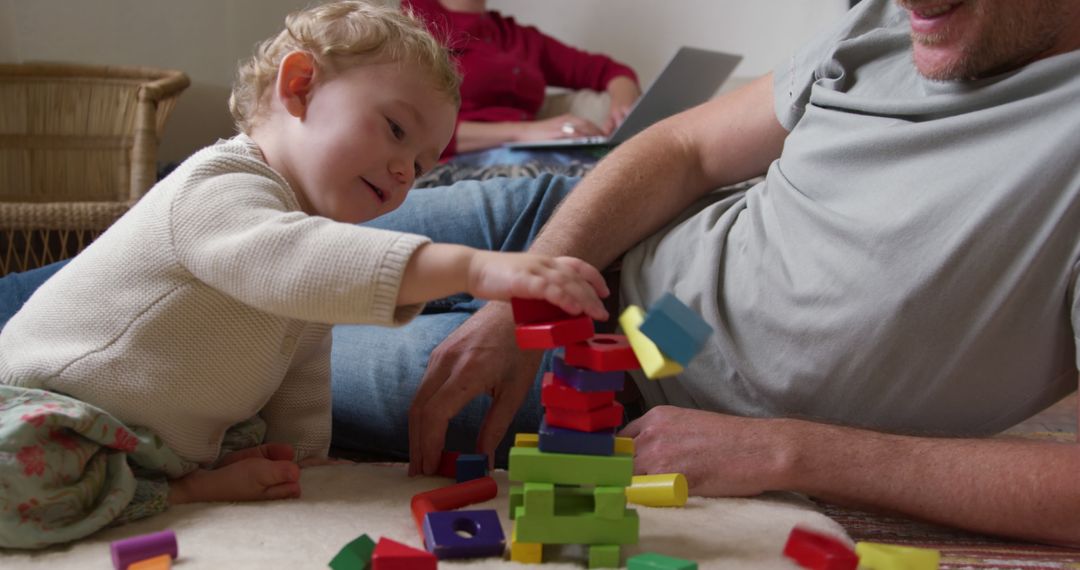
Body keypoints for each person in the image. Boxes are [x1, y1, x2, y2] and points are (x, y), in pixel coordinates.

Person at [327, 0, 1079, 547]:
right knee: (261, 237)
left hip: (623, 397)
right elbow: (685, 147)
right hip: (559, 229)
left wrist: (791, 451)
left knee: (266, 357)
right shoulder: (879, 23)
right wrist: (526, 295)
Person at [0, 1, 608, 549]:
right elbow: (299, 261)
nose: (404, 172)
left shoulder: (305, 232)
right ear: (300, 86)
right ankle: (179, 494)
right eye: (395, 130)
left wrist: (305, 458)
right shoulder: (216, 186)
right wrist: (475, 268)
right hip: (47, 411)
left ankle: (173, 482)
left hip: (150, 442)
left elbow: (301, 368)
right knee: (17, 474)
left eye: (422, 166)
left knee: (252, 439)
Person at [403, 0, 642, 163]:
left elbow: (612, 71)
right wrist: (524, 132)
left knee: (624, 165)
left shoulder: (516, 36)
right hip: (459, 166)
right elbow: (413, 128)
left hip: (524, 155)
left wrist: (622, 112)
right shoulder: (411, 21)